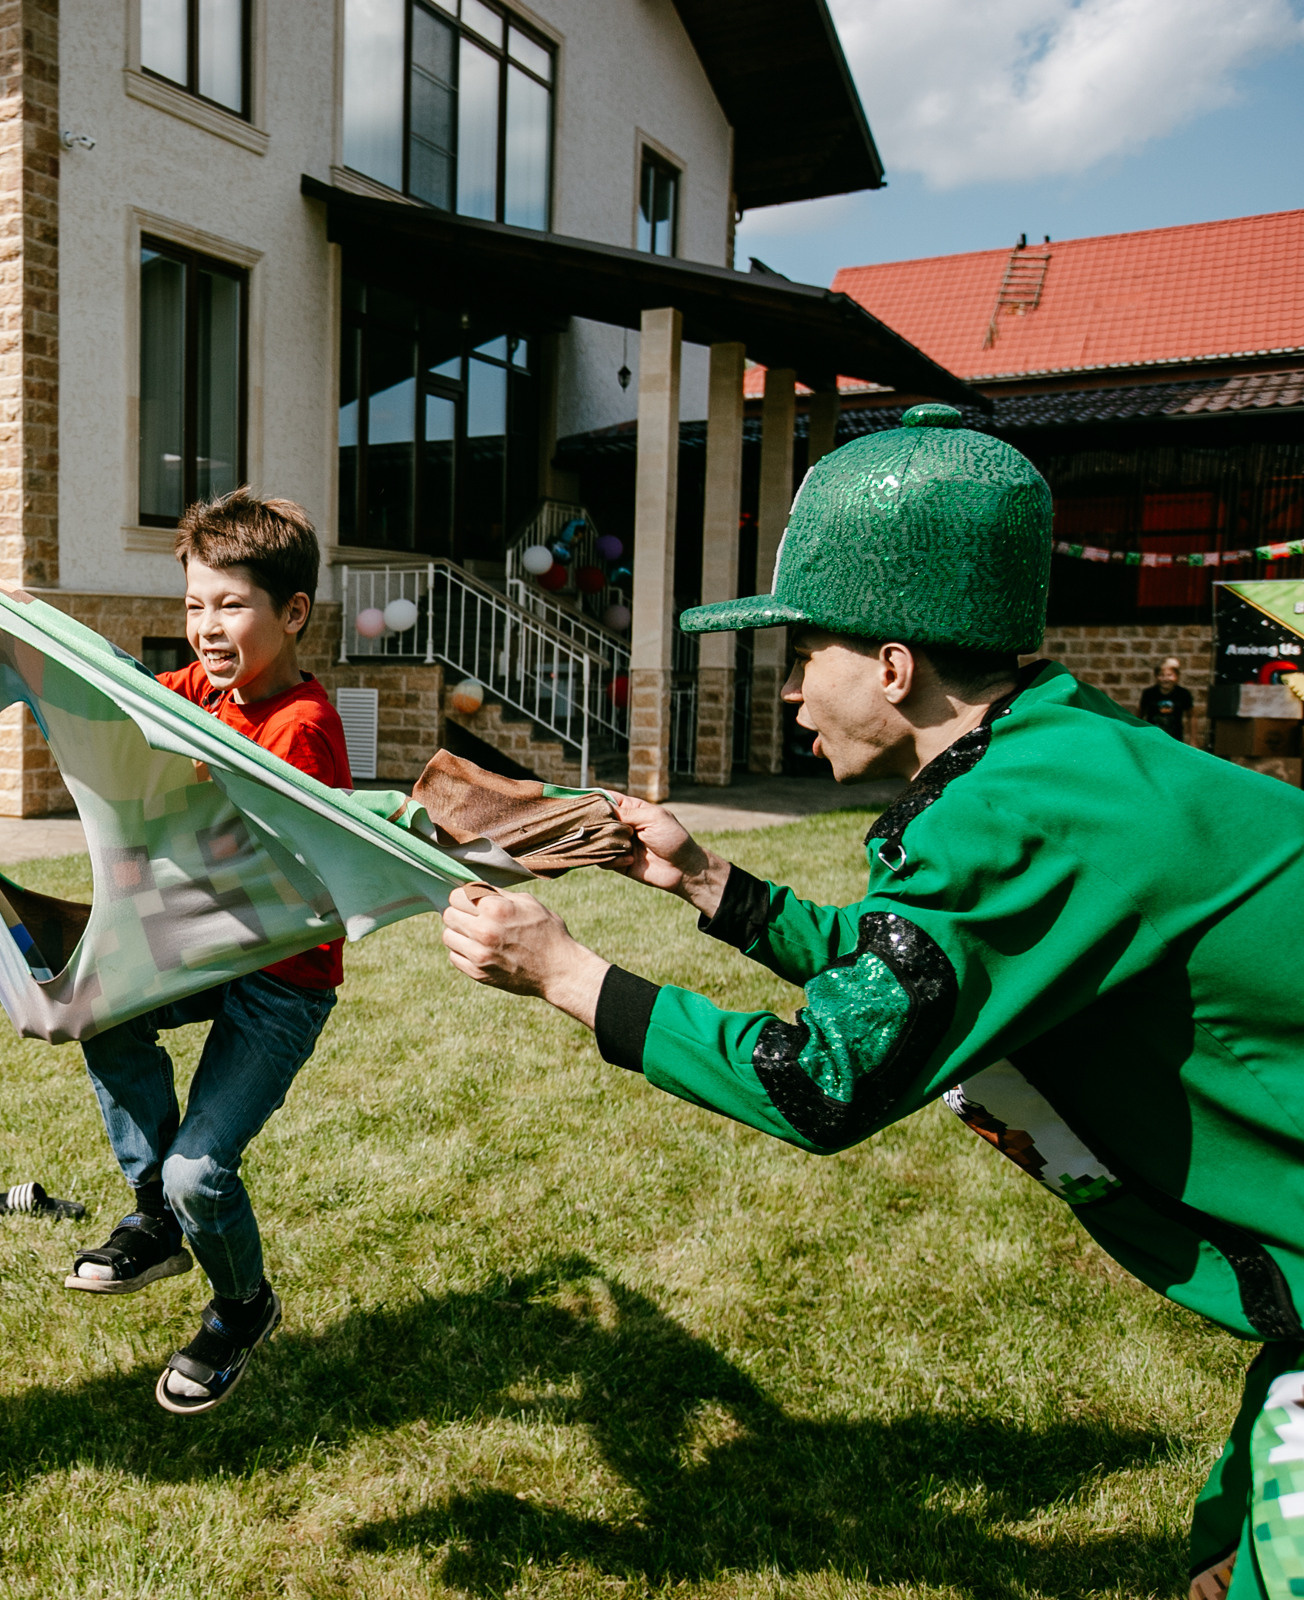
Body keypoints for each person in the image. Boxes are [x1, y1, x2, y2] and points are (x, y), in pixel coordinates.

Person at [439, 404, 1304, 1600]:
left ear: (893, 667)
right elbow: (919, 973)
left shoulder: (1011, 818)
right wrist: (704, 880)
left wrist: (566, 975)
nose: (790, 686)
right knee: (1231, 1548)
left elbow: (822, 1079)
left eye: (807, 651)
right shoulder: (1061, 755)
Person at [63, 488, 351, 1414]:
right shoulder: (206, 690)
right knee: (102, 1015)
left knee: (204, 1170)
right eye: (194, 604)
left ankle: (241, 1306)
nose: (206, 627)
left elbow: (270, 839)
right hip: (197, 951)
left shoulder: (301, 725)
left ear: (292, 612)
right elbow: (129, 703)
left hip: (281, 979)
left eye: (230, 605)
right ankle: (156, 1216)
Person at [1139, 656, 1194, 741]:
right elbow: (1140, 715)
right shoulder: (1149, 693)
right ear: (1156, 676)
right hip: (1153, 737)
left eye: (1169, 675)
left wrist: (1193, 739)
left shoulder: (1183, 694)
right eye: (1161, 675)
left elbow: (1191, 716)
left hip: (1174, 738)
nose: (1165, 679)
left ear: (1177, 676)